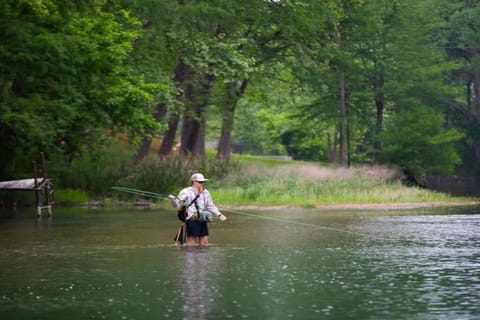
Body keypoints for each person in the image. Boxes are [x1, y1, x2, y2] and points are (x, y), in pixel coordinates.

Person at [172, 173, 227, 246]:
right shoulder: (185, 191)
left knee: (205, 241)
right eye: (200, 182)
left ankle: (202, 257)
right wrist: (173, 200)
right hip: (192, 219)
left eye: (203, 182)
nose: (202, 183)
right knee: (192, 241)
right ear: (194, 181)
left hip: (203, 219)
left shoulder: (206, 192)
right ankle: (190, 256)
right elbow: (177, 205)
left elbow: (210, 206)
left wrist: (219, 215)